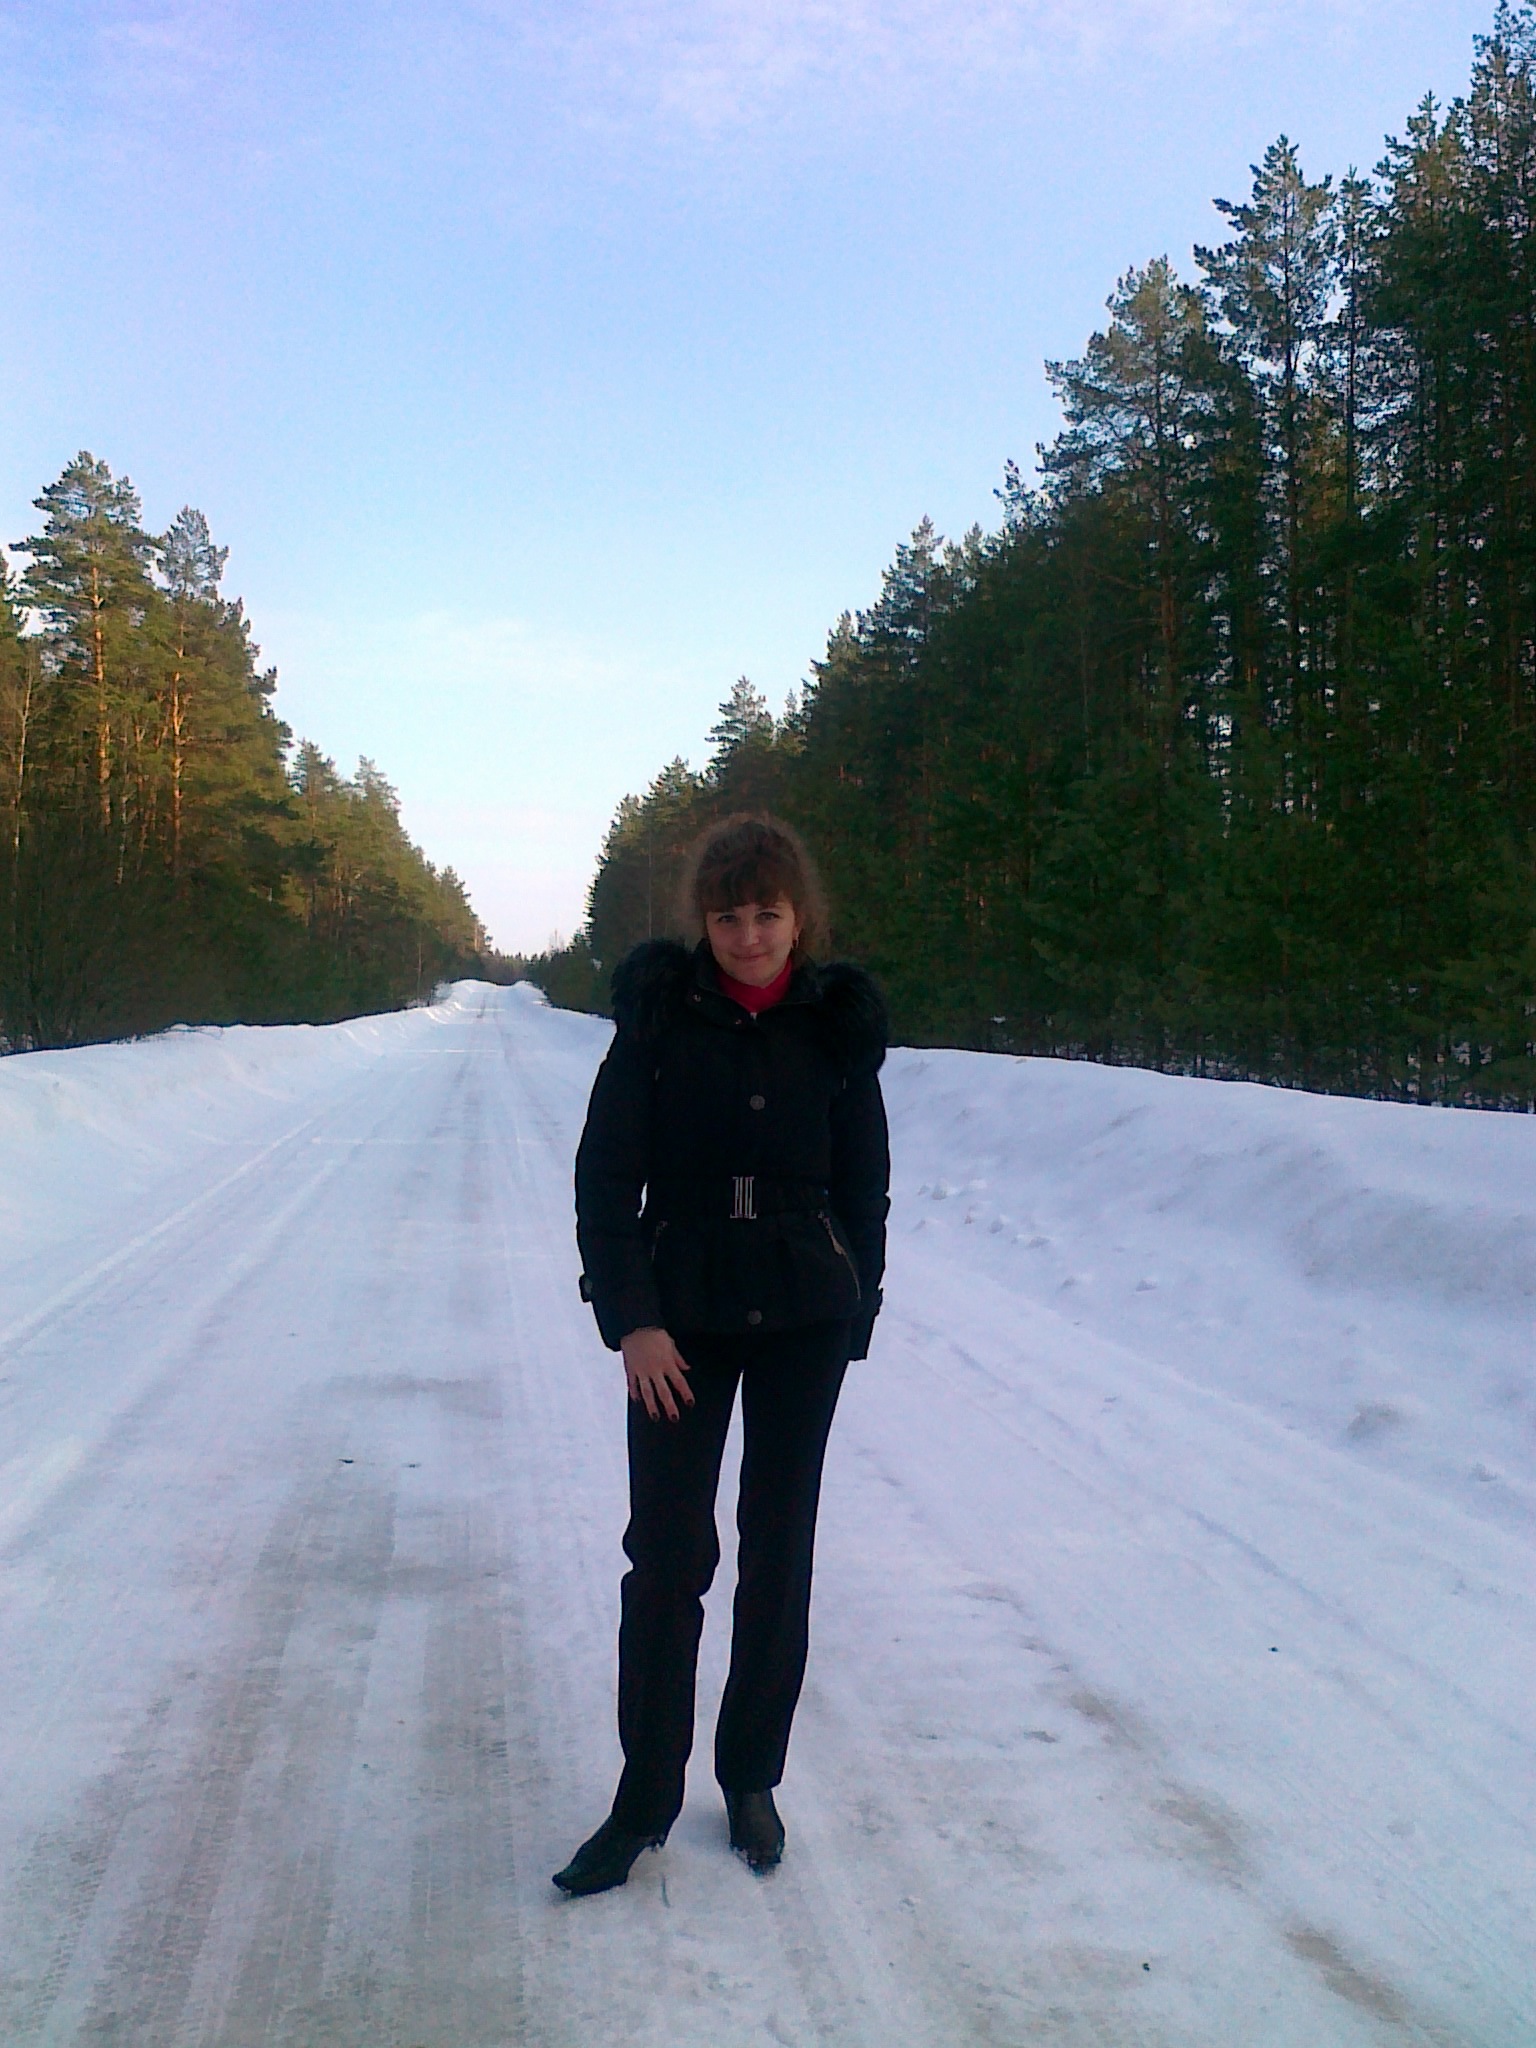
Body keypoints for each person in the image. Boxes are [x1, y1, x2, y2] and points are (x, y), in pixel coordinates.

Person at [554, 814, 890, 1897]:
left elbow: (865, 1185)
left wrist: (856, 1310)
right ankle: (643, 1797)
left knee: (778, 1553)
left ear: (800, 917)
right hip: (680, 1324)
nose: (749, 936)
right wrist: (633, 1319)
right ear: (703, 920)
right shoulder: (658, 1018)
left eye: (767, 914)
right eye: (729, 915)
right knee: (666, 1557)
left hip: (802, 1321)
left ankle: (751, 1776)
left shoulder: (835, 1027)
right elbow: (606, 1181)